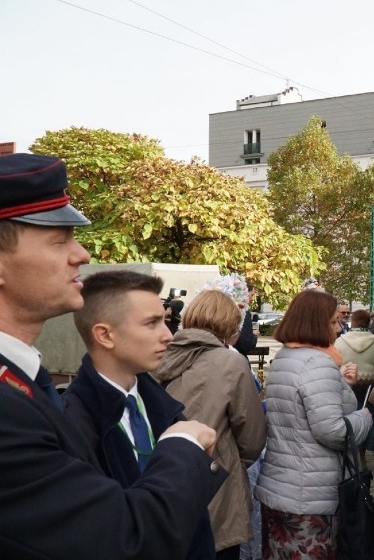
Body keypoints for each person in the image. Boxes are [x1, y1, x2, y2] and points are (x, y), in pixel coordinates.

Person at [0, 153, 226, 559]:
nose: (82, 254)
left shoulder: (24, 378)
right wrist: (181, 448)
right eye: (59, 240)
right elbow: (123, 540)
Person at [62, 270, 217, 559]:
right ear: (105, 335)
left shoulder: (164, 407)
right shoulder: (72, 425)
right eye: (151, 323)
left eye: (165, 320)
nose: (168, 335)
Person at [255, 289, 372, 559]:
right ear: (316, 323)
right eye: (333, 321)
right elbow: (332, 431)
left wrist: (340, 384)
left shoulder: (286, 357)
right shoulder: (317, 363)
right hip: (310, 495)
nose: (339, 327)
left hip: (281, 486)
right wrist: (364, 418)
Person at [153, 289, 267, 560]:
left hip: (160, 479)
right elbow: (251, 436)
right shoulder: (231, 361)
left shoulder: (157, 354)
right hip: (215, 482)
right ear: (229, 324)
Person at [335, 308, 374, 464]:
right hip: (368, 388)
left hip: (346, 386)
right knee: (368, 418)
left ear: (352, 322)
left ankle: (347, 451)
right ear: (369, 323)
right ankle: (361, 455)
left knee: (346, 417)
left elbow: (333, 363)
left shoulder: (341, 340)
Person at [234, 281, 258, 357]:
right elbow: (246, 344)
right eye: (252, 295)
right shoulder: (243, 312)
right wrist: (254, 335)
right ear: (245, 293)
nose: (252, 299)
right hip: (238, 357)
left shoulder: (227, 309)